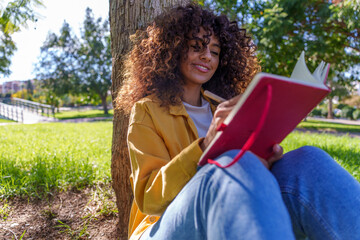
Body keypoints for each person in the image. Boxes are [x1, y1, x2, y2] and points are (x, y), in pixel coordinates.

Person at [116, 3, 360, 240]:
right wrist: (204, 147)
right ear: (173, 49)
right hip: (161, 226)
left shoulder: (223, 106)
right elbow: (149, 200)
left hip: (232, 208)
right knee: (232, 166)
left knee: (309, 161)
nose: (207, 57)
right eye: (197, 46)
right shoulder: (146, 111)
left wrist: (264, 161)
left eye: (214, 51)